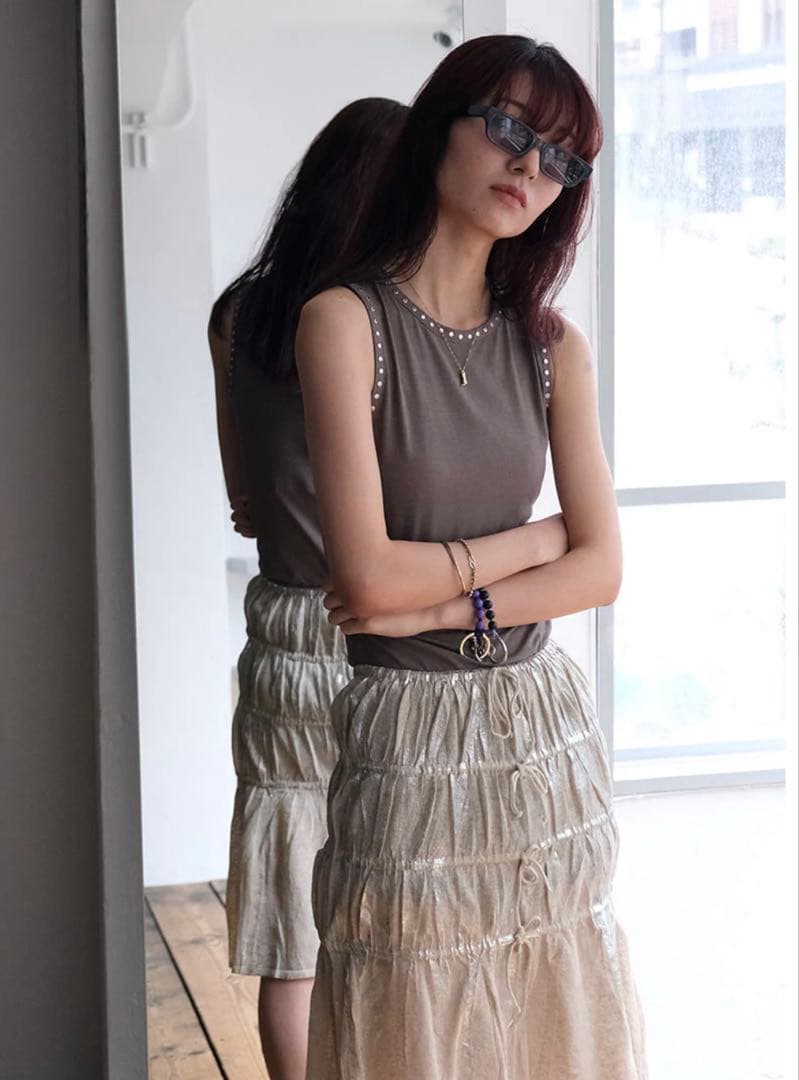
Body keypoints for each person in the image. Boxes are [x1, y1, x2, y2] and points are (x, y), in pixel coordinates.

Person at [295, 36, 647, 1079]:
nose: (530, 167)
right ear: (437, 127)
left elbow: (602, 572)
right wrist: (533, 542)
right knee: (411, 1022)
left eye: (562, 158)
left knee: (555, 1020)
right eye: (508, 128)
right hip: (406, 734)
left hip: (539, 731)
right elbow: (367, 581)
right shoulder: (342, 322)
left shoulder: (552, 347)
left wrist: (448, 607)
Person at [207, 97, 408, 1080]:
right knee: (396, 893)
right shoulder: (376, 319)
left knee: (291, 929)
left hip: (283, 634)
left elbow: (244, 502)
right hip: (385, 631)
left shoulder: (240, 313)